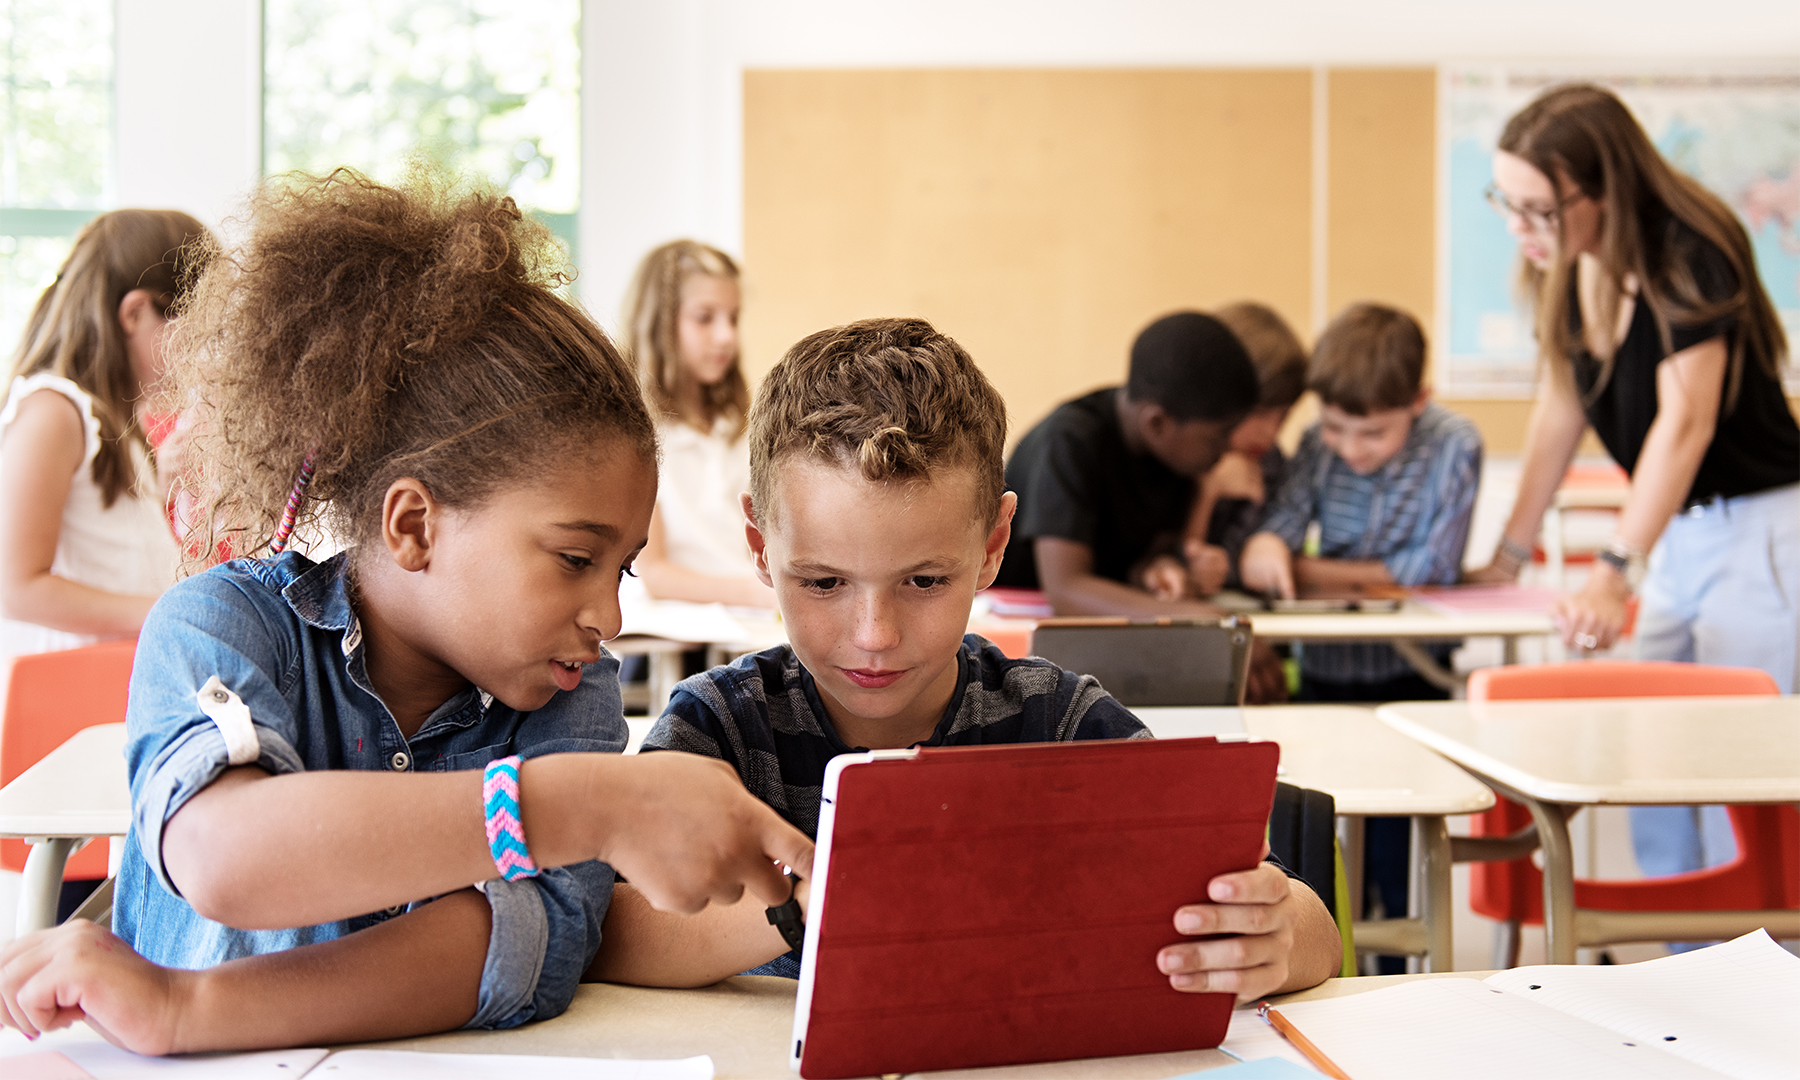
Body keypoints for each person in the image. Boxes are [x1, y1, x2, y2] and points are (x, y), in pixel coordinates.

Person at [0, 171, 812, 1054]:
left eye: (621, 570)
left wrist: (192, 1011)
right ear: (414, 525)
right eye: (576, 561)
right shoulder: (220, 626)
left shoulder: (569, 697)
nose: (607, 618)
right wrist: (583, 804)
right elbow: (226, 856)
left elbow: (515, 947)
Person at [596, 318, 1342, 999]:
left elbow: (1310, 927)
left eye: (924, 581)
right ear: (761, 546)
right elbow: (610, 932)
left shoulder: (1057, 722)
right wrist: (816, 905)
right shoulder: (717, 728)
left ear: (992, 546)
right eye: (823, 582)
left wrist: (1277, 936)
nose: (874, 634)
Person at [1463, 84, 1798, 882]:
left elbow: (1686, 423)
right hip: (1684, 530)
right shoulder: (1570, 263)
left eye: (1537, 209)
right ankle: (1681, 959)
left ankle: (1763, 970)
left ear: (1603, 189)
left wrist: (1614, 572)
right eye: (1506, 203)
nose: (1518, 229)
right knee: (1653, 752)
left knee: (1738, 771)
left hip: (1764, 528)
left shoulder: (1690, 247)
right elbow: (1561, 409)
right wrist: (1508, 554)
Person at [994, 311, 1285, 701]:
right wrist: (1206, 621)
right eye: (1219, 435)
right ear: (1158, 423)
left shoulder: (1180, 459)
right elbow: (1066, 587)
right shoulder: (1071, 440)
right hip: (1021, 653)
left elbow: (1143, 557)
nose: (1230, 447)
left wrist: (1160, 569)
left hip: (1106, 645)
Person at [1239, 303, 1482, 700]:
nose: (1350, 449)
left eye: (1373, 433)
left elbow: (1434, 568)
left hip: (1417, 669)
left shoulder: (1455, 446)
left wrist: (1304, 569)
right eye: (1335, 426)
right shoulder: (1316, 443)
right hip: (1323, 664)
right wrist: (1267, 544)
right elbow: (1281, 526)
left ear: (1419, 401)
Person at [0, 210, 208, 659]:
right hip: (64, 694)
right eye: (192, 337)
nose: (195, 360)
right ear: (135, 313)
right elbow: (16, 588)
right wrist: (176, 610)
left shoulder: (122, 426)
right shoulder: (53, 411)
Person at [621, 240, 772, 609]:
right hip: (673, 646)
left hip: (747, 631)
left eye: (733, 318)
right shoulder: (634, 431)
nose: (727, 337)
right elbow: (653, 572)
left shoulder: (738, 426)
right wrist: (762, 595)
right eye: (705, 318)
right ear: (659, 323)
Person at [1137, 302, 1310, 600]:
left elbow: (1249, 570)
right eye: (1258, 413)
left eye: (1282, 417)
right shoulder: (1174, 453)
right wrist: (1207, 493)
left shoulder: (1269, 463)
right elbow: (1158, 567)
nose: (1270, 433)